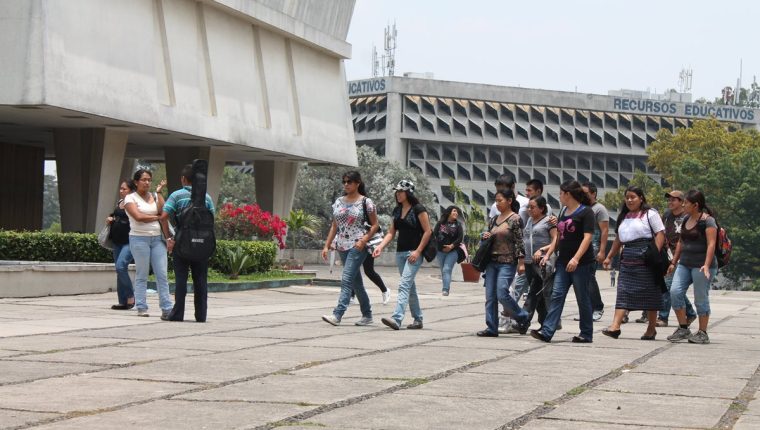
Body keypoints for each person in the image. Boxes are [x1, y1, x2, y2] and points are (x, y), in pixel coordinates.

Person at [530, 180, 595, 343]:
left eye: (560, 193)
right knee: (557, 295)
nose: (559, 196)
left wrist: (576, 258)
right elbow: (558, 237)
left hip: (581, 263)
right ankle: (547, 331)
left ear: (568, 194)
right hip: (562, 262)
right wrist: (548, 254)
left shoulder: (586, 212)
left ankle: (586, 333)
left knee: (582, 297)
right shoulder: (564, 211)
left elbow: (588, 237)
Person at [602, 186, 665, 341]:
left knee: (650, 294)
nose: (629, 200)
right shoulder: (624, 216)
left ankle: (651, 329)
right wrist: (609, 256)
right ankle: (615, 326)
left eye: (633, 197)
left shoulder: (650, 214)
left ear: (641, 198)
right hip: (627, 258)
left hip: (647, 257)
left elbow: (660, 234)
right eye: (627, 197)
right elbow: (618, 239)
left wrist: (654, 254)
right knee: (623, 291)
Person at [321, 171, 378, 326]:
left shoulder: (366, 202)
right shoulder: (339, 201)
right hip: (342, 246)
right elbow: (334, 226)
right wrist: (327, 245)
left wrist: (364, 239)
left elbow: (375, 225)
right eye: (344, 182)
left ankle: (337, 314)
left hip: (358, 245)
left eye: (350, 182)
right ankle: (367, 315)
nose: (346, 184)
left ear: (357, 183)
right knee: (356, 283)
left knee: (346, 279)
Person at [160, 164, 216, 322]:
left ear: (183, 179)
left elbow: (163, 217)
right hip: (202, 246)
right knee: (200, 280)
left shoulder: (177, 195)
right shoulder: (207, 197)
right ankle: (201, 316)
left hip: (182, 243)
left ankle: (177, 314)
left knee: (181, 280)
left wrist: (168, 238)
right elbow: (211, 220)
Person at [373, 179, 431, 330]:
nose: (398, 194)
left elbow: (428, 231)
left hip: (414, 253)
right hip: (400, 253)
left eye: (401, 191)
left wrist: (418, 251)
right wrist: (380, 246)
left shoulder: (419, 209)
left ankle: (397, 319)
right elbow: (391, 233)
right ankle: (418, 319)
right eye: (397, 191)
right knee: (409, 287)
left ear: (408, 193)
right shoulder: (397, 210)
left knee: (404, 285)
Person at [666, 190, 718, 344]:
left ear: (695, 205)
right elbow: (681, 242)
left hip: (702, 265)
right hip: (685, 263)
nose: (684, 205)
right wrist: (673, 262)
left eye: (686, 203)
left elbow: (711, 244)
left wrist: (707, 265)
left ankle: (702, 332)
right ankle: (683, 328)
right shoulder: (686, 218)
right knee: (675, 291)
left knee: (700, 298)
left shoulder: (708, 221)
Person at [476, 189, 530, 337]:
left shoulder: (515, 219)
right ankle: (492, 327)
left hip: (508, 262)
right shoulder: (494, 220)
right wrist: (485, 236)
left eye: (500, 200)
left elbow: (520, 241)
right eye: (496, 201)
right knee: (490, 297)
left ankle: (522, 317)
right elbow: (489, 239)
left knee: (502, 293)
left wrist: (521, 262)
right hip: (491, 262)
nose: (497, 204)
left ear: (509, 201)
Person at [123, 170, 173, 318]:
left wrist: (160, 194)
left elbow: (164, 214)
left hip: (157, 239)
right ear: (136, 182)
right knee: (142, 274)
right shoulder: (130, 198)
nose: (147, 182)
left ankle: (167, 308)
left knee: (162, 274)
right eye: (144, 180)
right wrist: (156, 216)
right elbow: (138, 217)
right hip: (139, 239)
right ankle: (141, 307)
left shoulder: (155, 196)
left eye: (149, 180)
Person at [654, 190, 697, 327]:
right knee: (673, 288)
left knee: (667, 286)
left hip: (682, 256)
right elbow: (659, 232)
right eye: (669, 200)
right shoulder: (666, 216)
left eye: (674, 200)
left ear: (681, 202)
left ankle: (663, 317)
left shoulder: (687, 216)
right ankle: (690, 313)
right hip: (667, 256)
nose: (670, 202)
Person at [520, 195, 558, 330]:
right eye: (528, 207)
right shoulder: (529, 220)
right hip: (529, 262)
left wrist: (543, 251)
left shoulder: (549, 221)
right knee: (537, 293)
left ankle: (524, 320)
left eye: (532, 207)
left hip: (542, 263)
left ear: (542, 208)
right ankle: (543, 323)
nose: (529, 209)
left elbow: (556, 240)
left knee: (539, 292)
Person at [580, 182, 608, 322]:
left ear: (593, 193)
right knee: (581, 281)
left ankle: (598, 307)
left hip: (593, 247)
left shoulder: (599, 209)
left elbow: (604, 231)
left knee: (590, 278)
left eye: (585, 192)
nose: (582, 195)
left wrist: (602, 251)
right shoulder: (581, 208)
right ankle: (587, 311)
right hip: (580, 248)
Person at [106, 179, 136, 310]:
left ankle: (130, 296)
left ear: (131, 190)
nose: (121, 191)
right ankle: (123, 301)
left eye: (124, 189)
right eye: (121, 188)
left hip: (129, 241)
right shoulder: (120, 203)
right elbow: (115, 215)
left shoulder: (135, 203)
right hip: (116, 241)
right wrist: (110, 219)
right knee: (119, 270)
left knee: (121, 266)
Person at [434, 205, 464, 296]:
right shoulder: (440, 223)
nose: (456, 213)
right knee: (443, 270)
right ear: (449, 212)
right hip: (440, 251)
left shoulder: (458, 225)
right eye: (454, 211)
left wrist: (451, 246)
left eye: (457, 212)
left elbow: (460, 238)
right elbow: (435, 234)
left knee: (447, 269)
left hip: (453, 251)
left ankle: (445, 289)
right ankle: (445, 286)